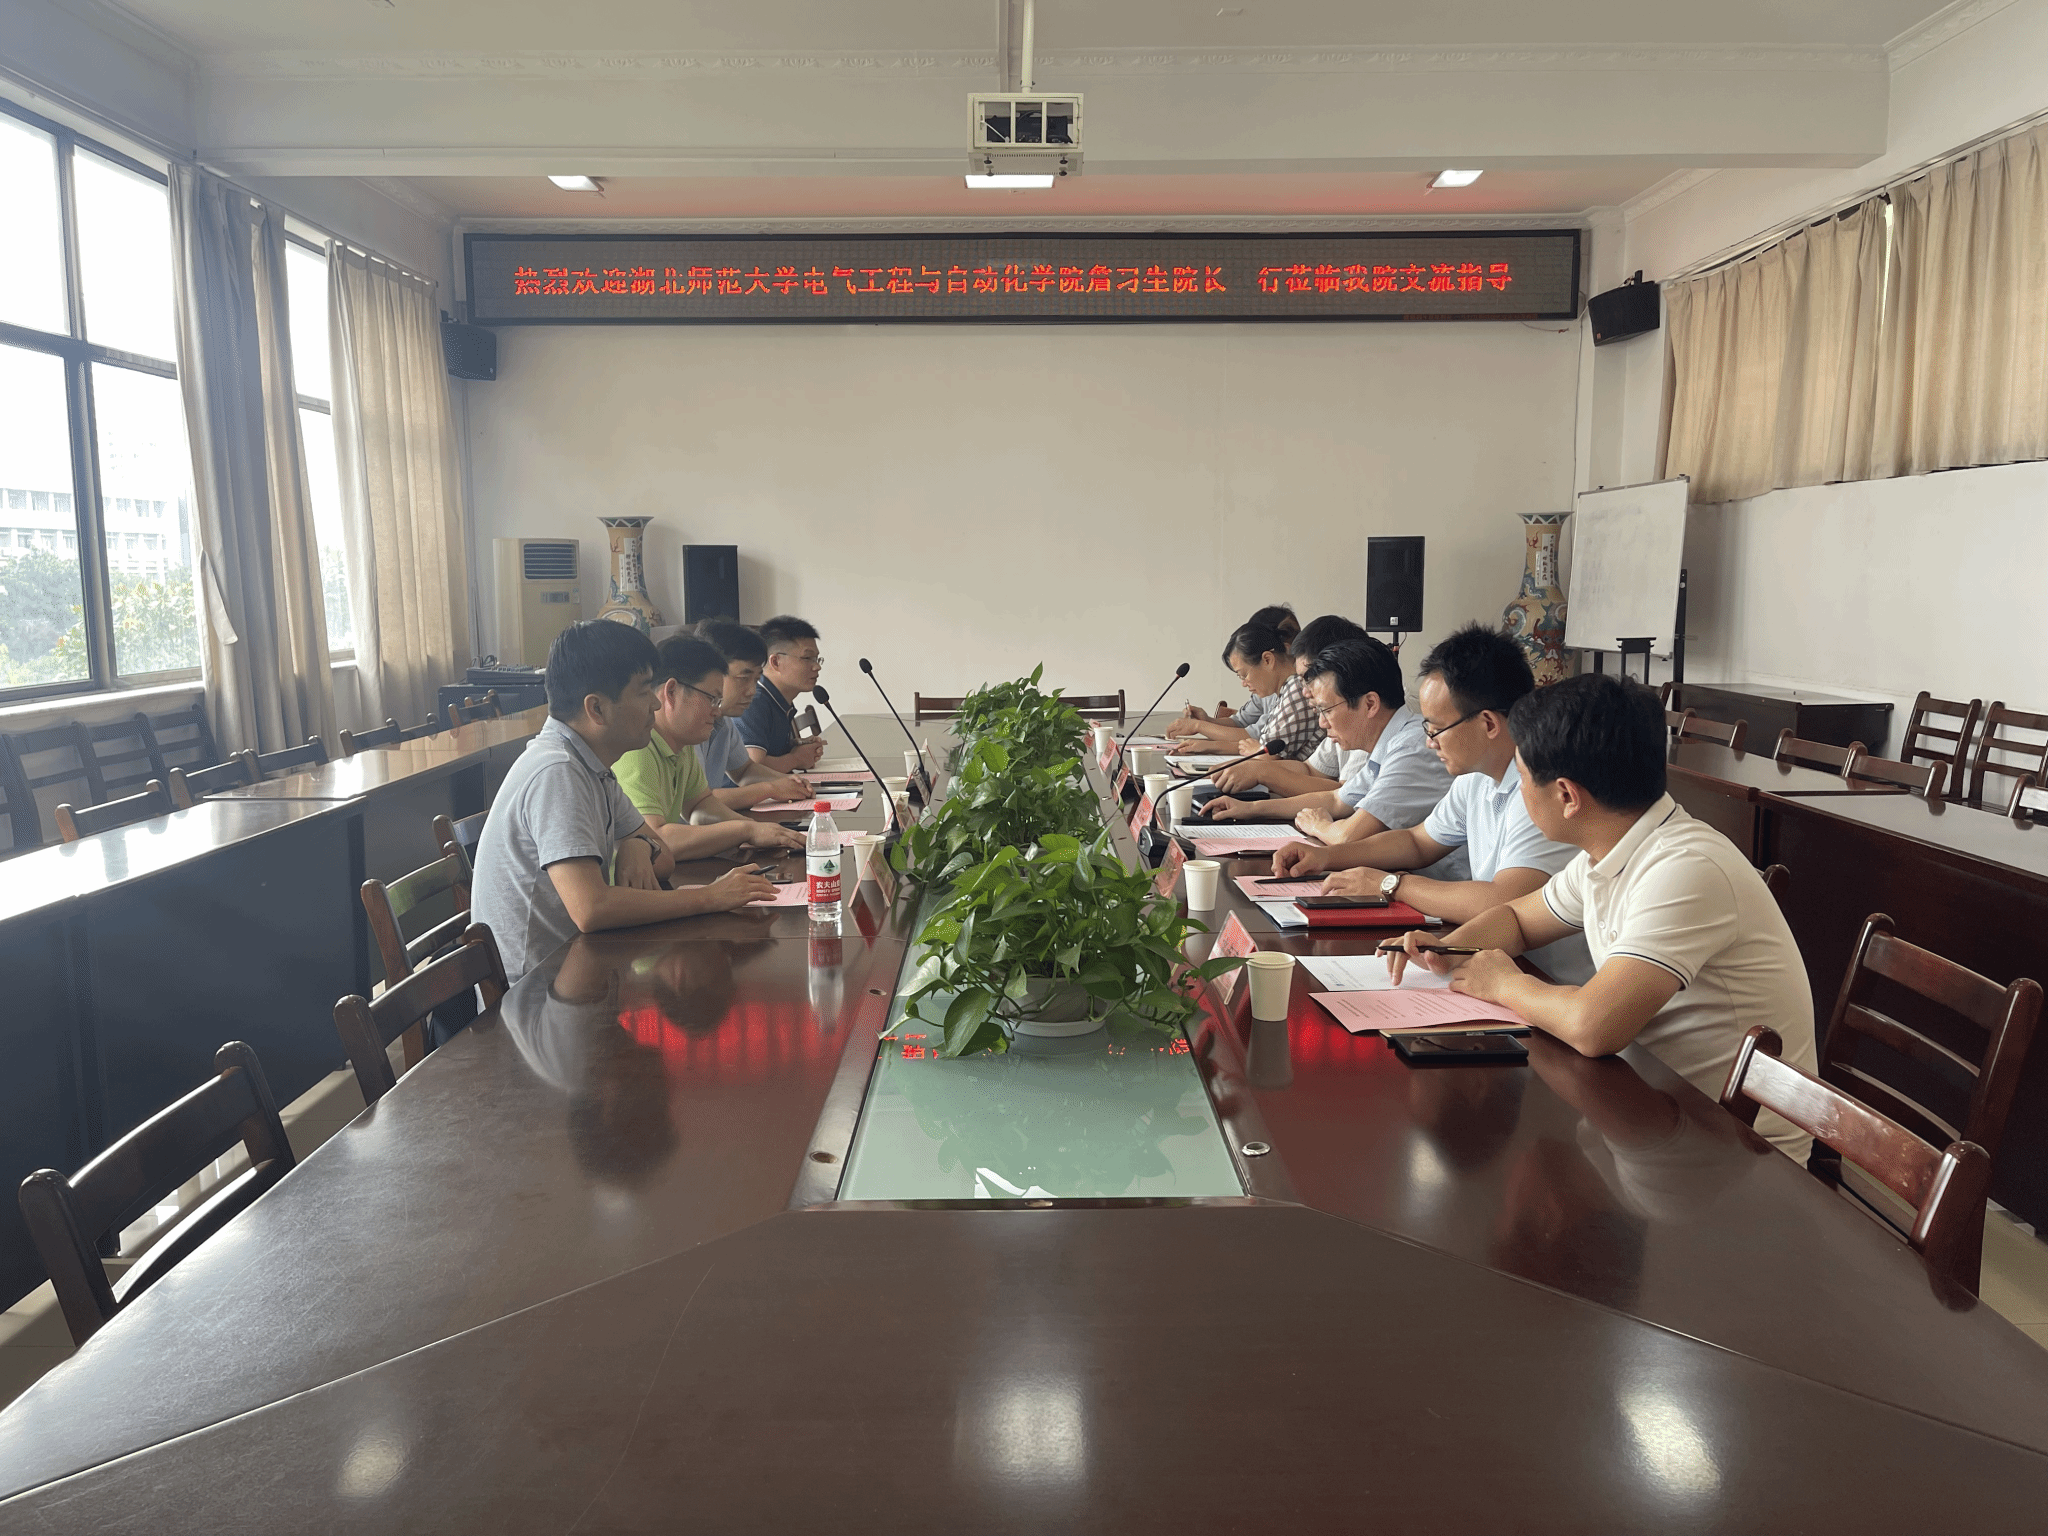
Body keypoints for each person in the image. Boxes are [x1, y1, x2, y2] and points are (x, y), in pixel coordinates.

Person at [1388, 674, 1818, 1161]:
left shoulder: (1685, 869)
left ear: (1567, 796)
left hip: (1737, 1155)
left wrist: (1503, 983)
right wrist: (1449, 949)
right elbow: (1517, 919)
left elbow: (1594, 1026)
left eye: (1522, 777)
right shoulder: (1609, 850)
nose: (1519, 790)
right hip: (1653, 1109)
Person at [1272, 623, 1593, 982]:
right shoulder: (1475, 776)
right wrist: (1327, 857)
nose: (1429, 742)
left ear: (1488, 724)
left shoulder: (1542, 791)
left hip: (1551, 979)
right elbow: (1416, 841)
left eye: (1436, 728)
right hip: (1497, 961)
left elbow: (1504, 901)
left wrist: (1391, 884)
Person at [469, 621, 777, 982]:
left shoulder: (594, 765)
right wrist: (711, 896)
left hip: (582, 968)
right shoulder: (558, 771)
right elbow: (592, 908)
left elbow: (663, 857)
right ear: (597, 709)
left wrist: (637, 844)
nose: (655, 703)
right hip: (536, 990)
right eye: (644, 691)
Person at [1206, 635, 1453, 849]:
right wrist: (1250, 809)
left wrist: (1319, 826)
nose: (1322, 723)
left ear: (1370, 704)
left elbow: (1347, 836)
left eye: (1326, 710)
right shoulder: (1387, 742)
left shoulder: (1411, 747)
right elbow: (1336, 800)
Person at [614, 634, 807, 863]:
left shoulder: (681, 744)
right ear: (672, 692)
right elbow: (655, 841)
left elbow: (701, 804)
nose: (717, 711)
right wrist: (746, 831)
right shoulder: (638, 749)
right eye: (712, 699)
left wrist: (756, 828)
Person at [1205, 614, 1368, 799]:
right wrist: (1253, 769)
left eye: (1308, 678)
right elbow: (1310, 770)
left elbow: (1342, 799)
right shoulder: (1340, 717)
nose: (1304, 691)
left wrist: (1261, 772)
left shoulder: (1361, 721)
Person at [1170, 616, 1322, 766]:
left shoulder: (1297, 690)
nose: (1243, 683)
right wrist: (1207, 745)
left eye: (1244, 675)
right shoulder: (1285, 690)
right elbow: (1257, 745)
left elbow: (1265, 755)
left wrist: (1202, 733)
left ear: (1267, 660)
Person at [694, 618, 812, 811]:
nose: (752, 691)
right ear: (710, 673)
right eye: (743, 678)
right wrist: (770, 789)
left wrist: (791, 782)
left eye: (756, 680)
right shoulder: (688, 727)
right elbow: (698, 802)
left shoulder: (723, 721)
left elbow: (744, 770)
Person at [1168, 604, 1298, 743]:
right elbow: (1242, 722)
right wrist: (1206, 721)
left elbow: (1257, 737)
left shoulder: (1294, 690)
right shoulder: (1271, 685)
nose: (1243, 683)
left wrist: (1199, 726)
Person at [740, 614, 826, 773]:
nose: (817, 667)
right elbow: (754, 768)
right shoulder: (754, 702)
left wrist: (797, 747)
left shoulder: (780, 698)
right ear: (775, 662)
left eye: (817, 659)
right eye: (807, 658)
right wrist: (796, 759)